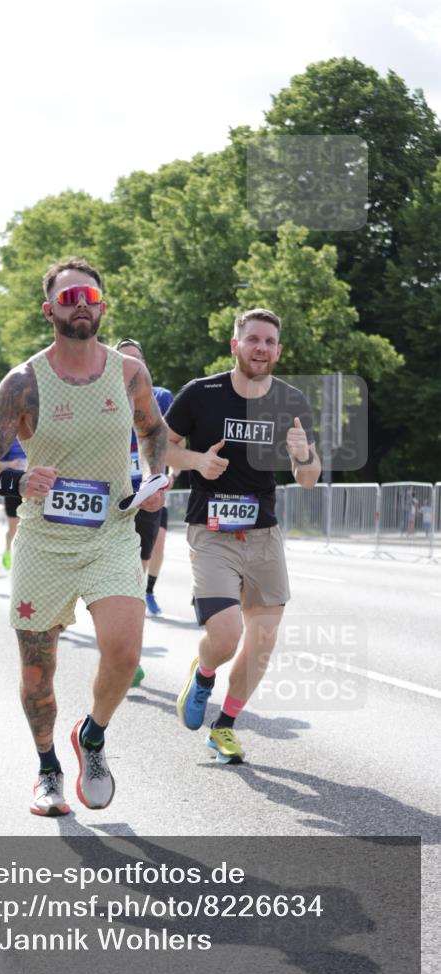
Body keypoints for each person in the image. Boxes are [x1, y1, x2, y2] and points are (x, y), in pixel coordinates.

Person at [0, 256, 168, 816]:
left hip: (111, 533)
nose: (81, 304)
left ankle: (92, 737)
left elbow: (154, 431)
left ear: (102, 307)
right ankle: (48, 767)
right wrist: (15, 479)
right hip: (44, 542)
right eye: (69, 297)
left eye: (90, 297)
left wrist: (154, 477)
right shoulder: (24, 383)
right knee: (38, 671)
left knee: (124, 653)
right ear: (49, 308)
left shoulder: (128, 373)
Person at [167, 308, 320, 763]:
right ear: (235, 345)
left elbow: (308, 478)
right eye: (253, 339)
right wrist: (198, 462)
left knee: (263, 641)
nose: (261, 348)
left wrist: (303, 455)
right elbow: (161, 447)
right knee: (226, 634)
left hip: (264, 534)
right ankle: (203, 673)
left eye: (269, 341)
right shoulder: (201, 393)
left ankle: (225, 726)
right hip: (211, 531)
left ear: (278, 351)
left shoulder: (291, 400)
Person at [116, 338, 174, 686]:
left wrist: (166, 473)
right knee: (109, 584)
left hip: (146, 496)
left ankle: (130, 655)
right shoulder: (99, 398)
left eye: (135, 360)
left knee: (132, 580)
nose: (129, 367)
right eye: (121, 360)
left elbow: (170, 439)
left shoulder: (160, 397)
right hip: (107, 498)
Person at [0, 437, 27, 569]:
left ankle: (23, 557)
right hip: (12, 487)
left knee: (27, 524)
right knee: (13, 526)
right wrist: (11, 464)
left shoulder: (36, 437)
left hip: (30, 488)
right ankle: (8, 549)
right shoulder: (9, 440)